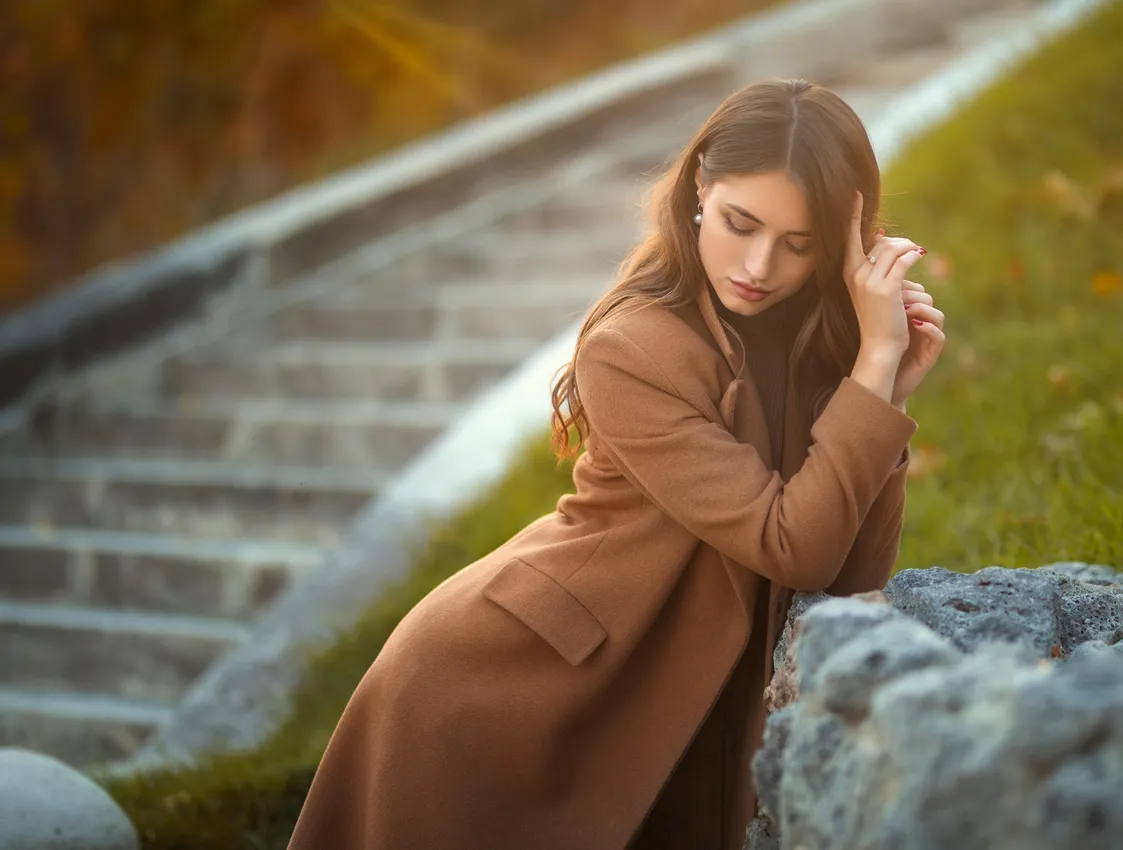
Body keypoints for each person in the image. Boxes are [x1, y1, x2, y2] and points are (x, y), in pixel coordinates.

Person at [287, 77, 945, 850]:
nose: (759, 265)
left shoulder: (817, 341)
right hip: (515, 693)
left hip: (669, 702)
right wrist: (870, 379)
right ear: (701, 186)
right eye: (740, 223)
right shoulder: (633, 348)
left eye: (798, 243)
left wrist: (883, 389)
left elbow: (843, 579)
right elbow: (792, 544)